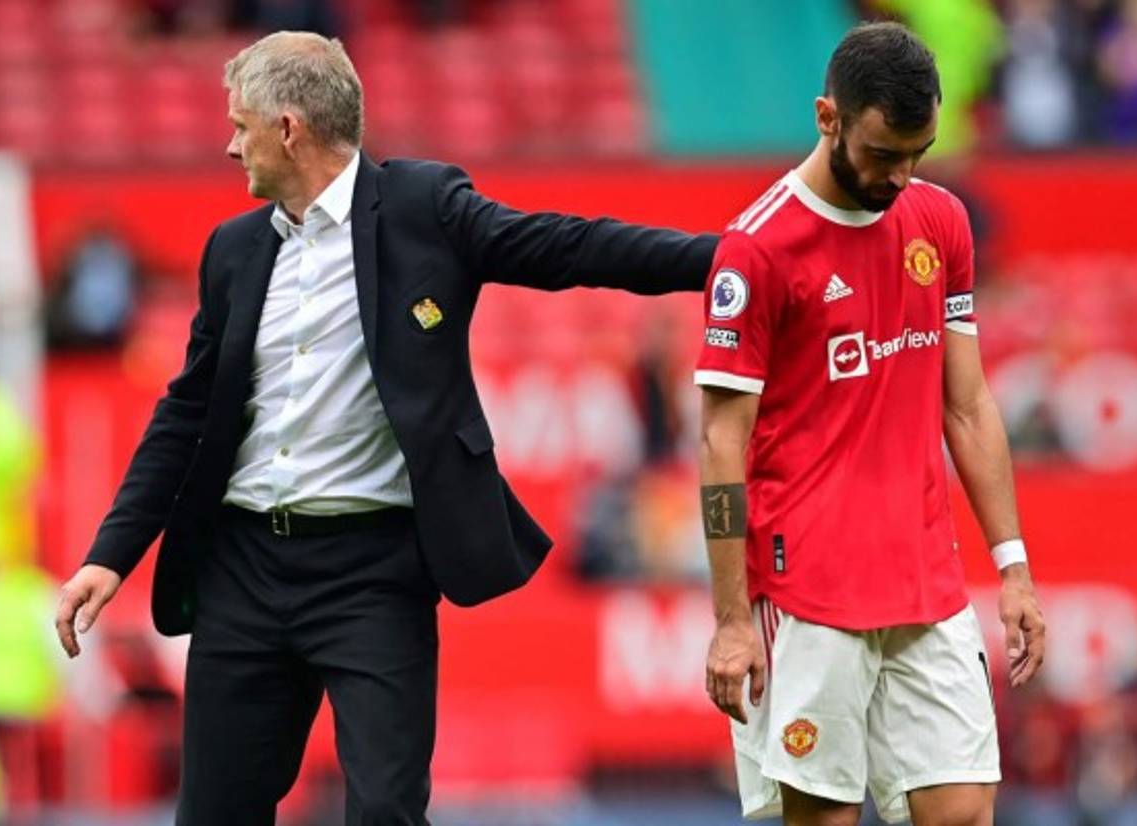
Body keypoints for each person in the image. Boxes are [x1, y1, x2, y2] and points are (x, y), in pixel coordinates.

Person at [51, 31, 716, 826]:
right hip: (244, 570)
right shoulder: (232, 251)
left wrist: (727, 260)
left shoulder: (422, 208)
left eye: (240, 125)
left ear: (289, 127)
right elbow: (185, 414)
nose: (231, 146)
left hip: (372, 575)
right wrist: (109, 553)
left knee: (386, 814)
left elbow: (566, 247)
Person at [694, 22, 1045, 826]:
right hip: (808, 590)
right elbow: (721, 442)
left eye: (918, 153)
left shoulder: (941, 222)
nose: (901, 176)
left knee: (962, 811)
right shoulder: (756, 251)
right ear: (829, 118)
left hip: (928, 580)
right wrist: (730, 619)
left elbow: (968, 404)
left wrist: (1013, 565)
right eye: (885, 155)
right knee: (823, 816)